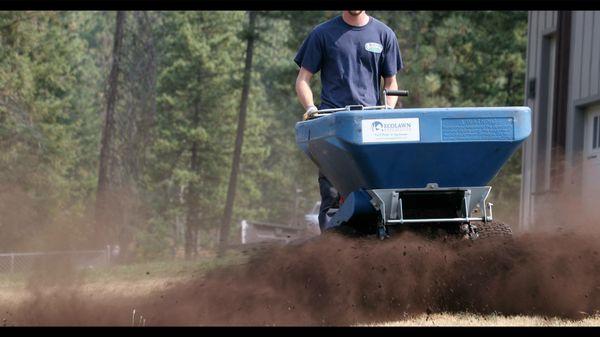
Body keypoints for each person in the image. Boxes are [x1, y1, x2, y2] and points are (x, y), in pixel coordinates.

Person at [294, 10, 404, 231]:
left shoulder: (384, 34)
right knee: (333, 198)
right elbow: (303, 80)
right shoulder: (322, 34)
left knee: (379, 195)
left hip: (373, 131)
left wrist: (388, 112)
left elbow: (391, 84)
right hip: (333, 131)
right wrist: (311, 108)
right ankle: (333, 253)